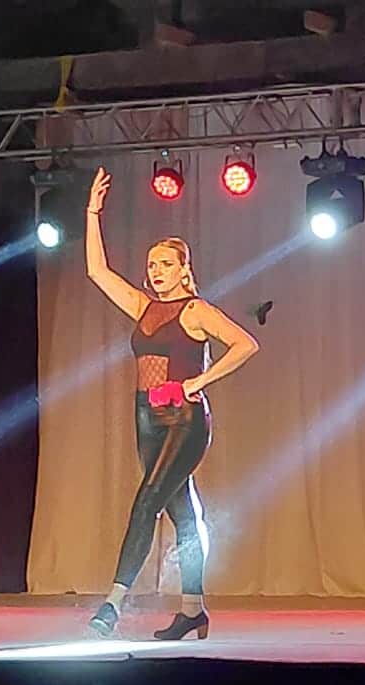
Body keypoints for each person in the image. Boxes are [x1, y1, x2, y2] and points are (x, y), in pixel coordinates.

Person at [82, 166, 259, 639]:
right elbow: (97, 272)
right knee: (182, 511)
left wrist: (199, 380)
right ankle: (193, 610)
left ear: (184, 268)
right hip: (146, 417)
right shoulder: (144, 307)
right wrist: (92, 212)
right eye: (151, 265)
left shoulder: (195, 310)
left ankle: (112, 605)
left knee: (147, 503)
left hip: (184, 420)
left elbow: (245, 344)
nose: (155, 271)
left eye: (164, 264)